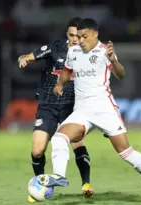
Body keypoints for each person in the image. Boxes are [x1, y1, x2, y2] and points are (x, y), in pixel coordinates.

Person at [38, 18, 141, 203]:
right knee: (59, 138)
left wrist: (113, 60)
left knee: (125, 152)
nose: (80, 40)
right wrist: (59, 84)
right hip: (82, 111)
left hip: (104, 109)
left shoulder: (105, 51)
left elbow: (121, 74)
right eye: (78, 37)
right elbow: (66, 70)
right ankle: (59, 176)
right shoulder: (73, 51)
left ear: (95, 34)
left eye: (84, 37)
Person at [18, 17, 94, 202]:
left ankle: (86, 184)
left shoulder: (89, 54)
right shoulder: (56, 47)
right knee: (37, 150)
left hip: (72, 107)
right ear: (67, 35)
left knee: (78, 143)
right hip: (48, 106)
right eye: (71, 35)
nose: (75, 39)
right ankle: (41, 183)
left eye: (79, 35)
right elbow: (28, 56)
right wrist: (24, 59)